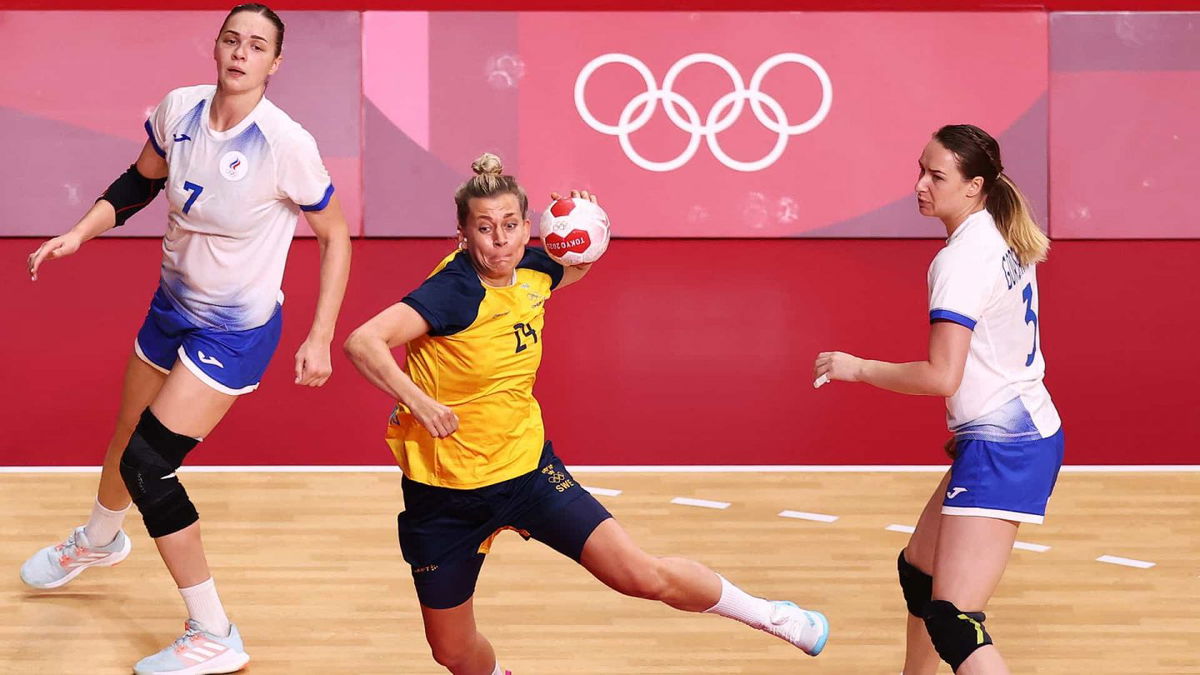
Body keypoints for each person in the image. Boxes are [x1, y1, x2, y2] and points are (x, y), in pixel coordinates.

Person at [343, 153, 829, 675]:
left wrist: (589, 231)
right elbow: (363, 341)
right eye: (484, 229)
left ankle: (772, 615)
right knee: (454, 653)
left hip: (527, 472)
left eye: (510, 226)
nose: (500, 240)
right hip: (444, 496)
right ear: (462, 234)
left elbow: (572, 266)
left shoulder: (532, 271)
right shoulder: (452, 294)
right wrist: (420, 400)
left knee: (640, 575)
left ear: (530, 228)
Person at [21, 4, 351, 673]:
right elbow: (141, 181)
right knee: (125, 430)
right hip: (172, 304)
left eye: (257, 45)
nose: (240, 53)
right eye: (232, 39)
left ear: (274, 63)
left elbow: (335, 234)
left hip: (235, 330)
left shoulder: (286, 143)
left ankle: (213, 632)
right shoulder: (180, 110)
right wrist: (82, 230)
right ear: (217, 46)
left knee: (148, 464)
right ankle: (100, 540)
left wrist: (321, 334)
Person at [812, 124, 1063, 675]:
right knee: (920, 574)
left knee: (954, 619)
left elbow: (940, 376)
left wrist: (859, 368)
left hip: (1007, 446)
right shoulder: (998, 229)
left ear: (974, 186)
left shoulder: (960, 262)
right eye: (920, 170)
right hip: (1011, 431)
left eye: (936, 175)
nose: (921, 185)